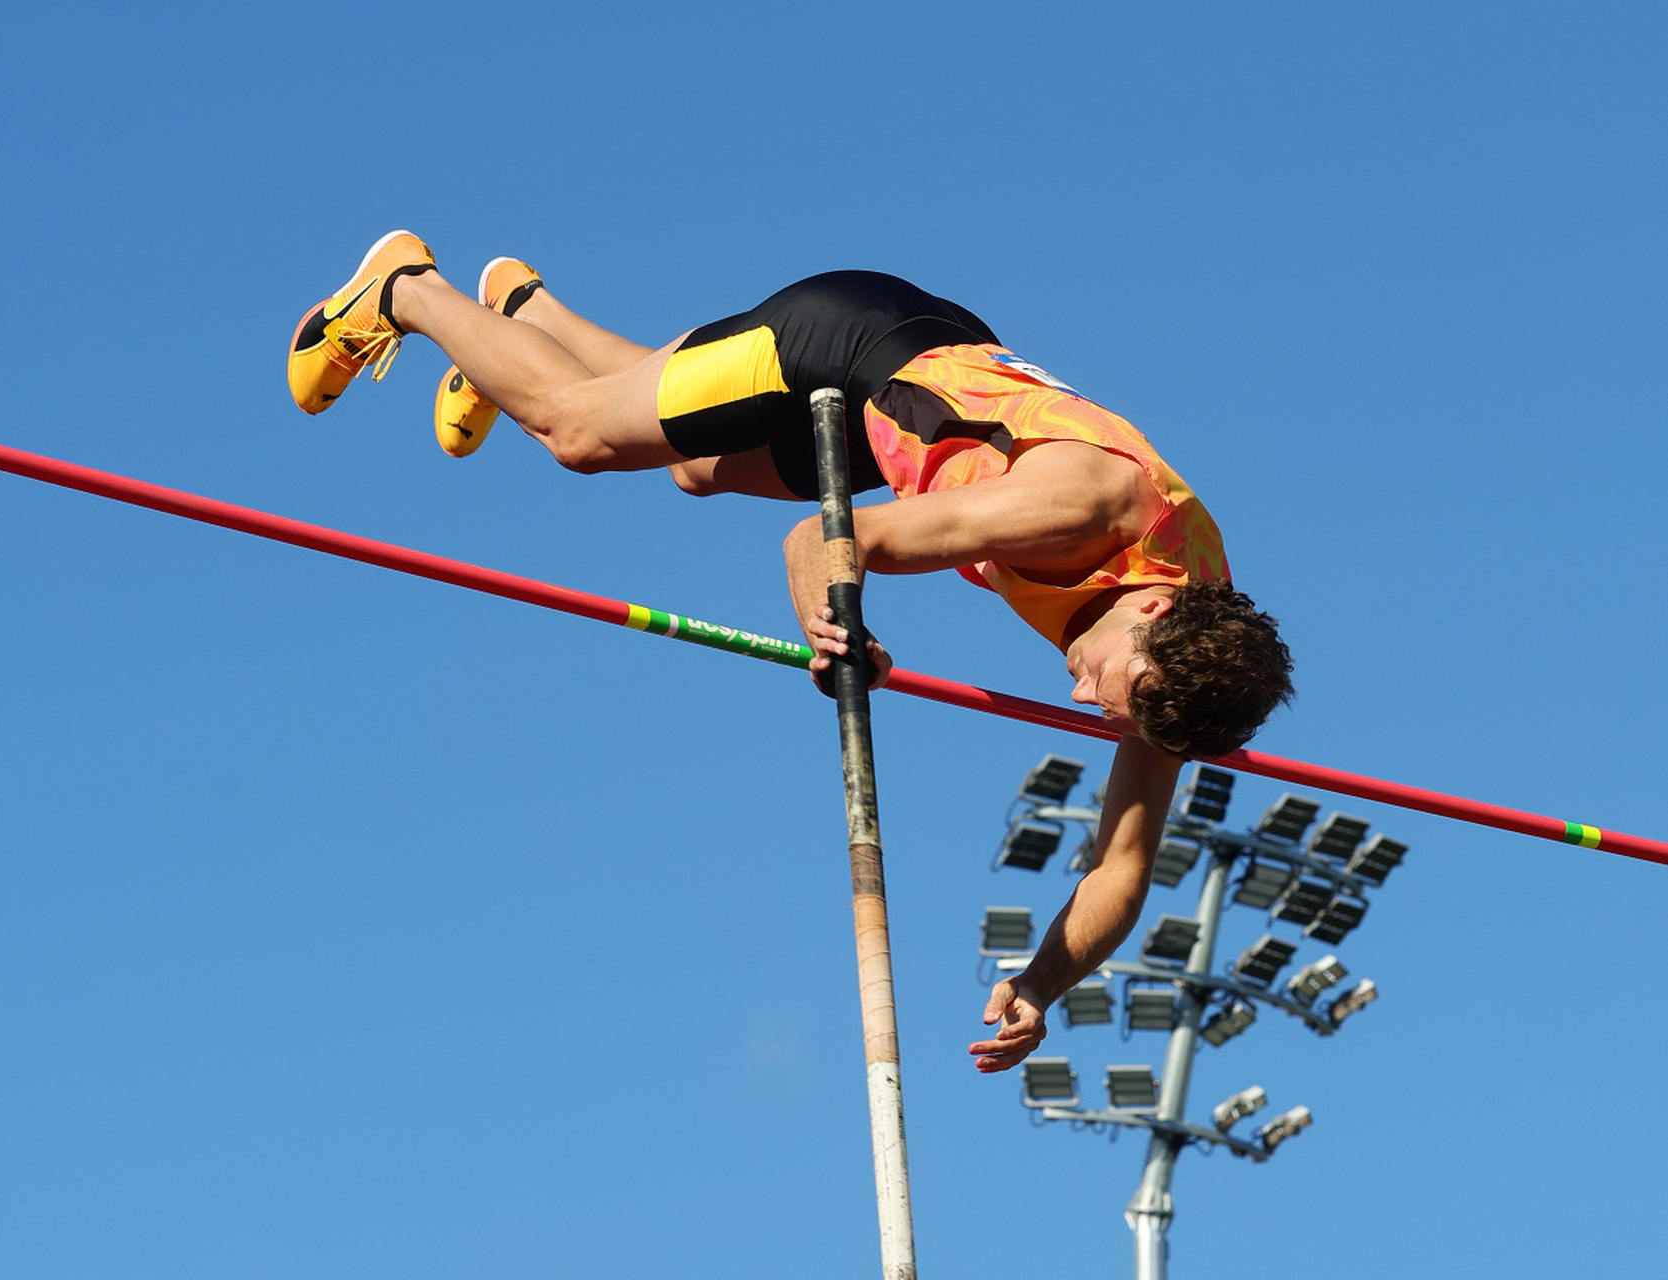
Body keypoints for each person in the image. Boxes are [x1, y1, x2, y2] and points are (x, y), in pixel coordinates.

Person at [287, 231, 1294, 1074]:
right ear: (1156, 606)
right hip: (845, 343)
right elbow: (822, 542)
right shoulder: (1078, 511)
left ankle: (520, 319)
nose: (1080, 692)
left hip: (906, 410)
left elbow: (1122, 863)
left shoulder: (1183, 671)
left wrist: (1039, 984)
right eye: (1103, 685)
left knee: (688, 469)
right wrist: (836, 624)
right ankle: (407, 289)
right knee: (579, 434)